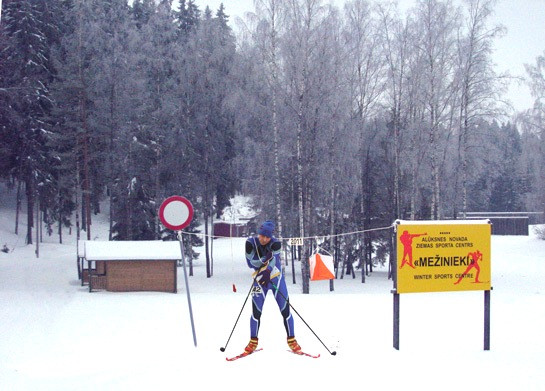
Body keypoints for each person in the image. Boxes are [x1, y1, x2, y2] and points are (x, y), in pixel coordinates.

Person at [244, 220, 300, 353]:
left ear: (271, 237)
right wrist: (265, 261)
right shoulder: (250, 243)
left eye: (267, 237)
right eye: (262, 235)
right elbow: (250, 263)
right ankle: (253, 341)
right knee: (256, 311)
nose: (263, 239)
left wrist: (268, 267)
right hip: (260, 279)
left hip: (275, 278)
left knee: (285, 310)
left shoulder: (276, 243)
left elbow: (274, 260)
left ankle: (292, 340)